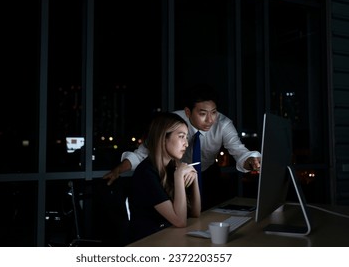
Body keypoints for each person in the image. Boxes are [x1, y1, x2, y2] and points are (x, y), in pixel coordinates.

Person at [104, 83, 261, 211]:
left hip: (207, 173)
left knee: (212, 216)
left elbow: (239, 150)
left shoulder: (223, 124)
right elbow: (142, 154)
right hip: (173, 176)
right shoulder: (172, 122)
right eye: (202, 113)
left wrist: (250, 161)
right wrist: (118, 170)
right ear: (188, 112)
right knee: (177, 223)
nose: (210, 120)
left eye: (213, 112)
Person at [127, 112, 201, 242]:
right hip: (148, 243)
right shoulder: (146, 173)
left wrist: (194, 177)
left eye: (186, 137)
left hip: (168, 237)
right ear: (163, 138)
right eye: (181, 137)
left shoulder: (171, 167)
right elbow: (180, 221)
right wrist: (179, 177)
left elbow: (195, 213)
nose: (186, 144)